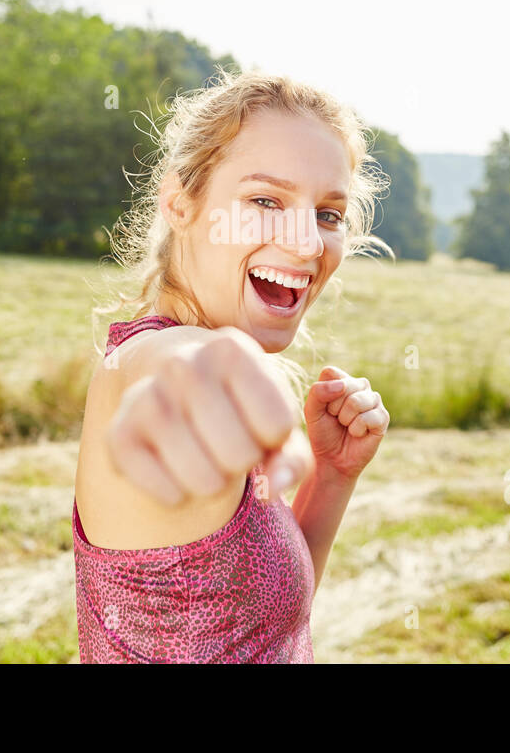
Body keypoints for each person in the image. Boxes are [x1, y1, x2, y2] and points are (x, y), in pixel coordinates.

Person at [72, 70, 392, 662]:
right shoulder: (147, 361)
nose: (305, 244)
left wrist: (332, 478)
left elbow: (258, 631)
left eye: (328, 213)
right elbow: (166, 369)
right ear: (181, 204)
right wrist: (202, 377)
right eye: (265, 201)